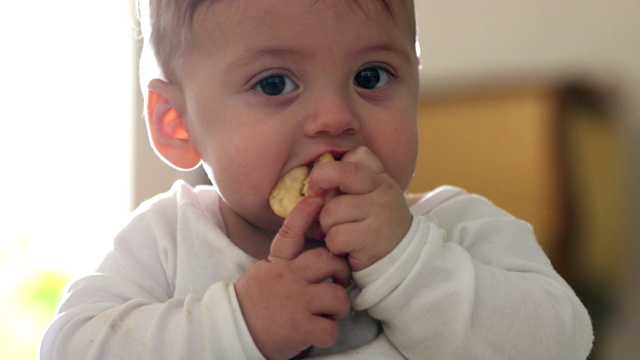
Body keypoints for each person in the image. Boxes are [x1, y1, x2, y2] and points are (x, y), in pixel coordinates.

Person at [40, 0, 593, 359]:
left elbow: (564, 343)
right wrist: (239, 322)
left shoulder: (457, 229)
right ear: (177, 123)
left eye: (370, 76)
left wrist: (409, 262)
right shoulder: (166, 243)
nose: (335, 117)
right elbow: (68, 349)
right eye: (275, 83)